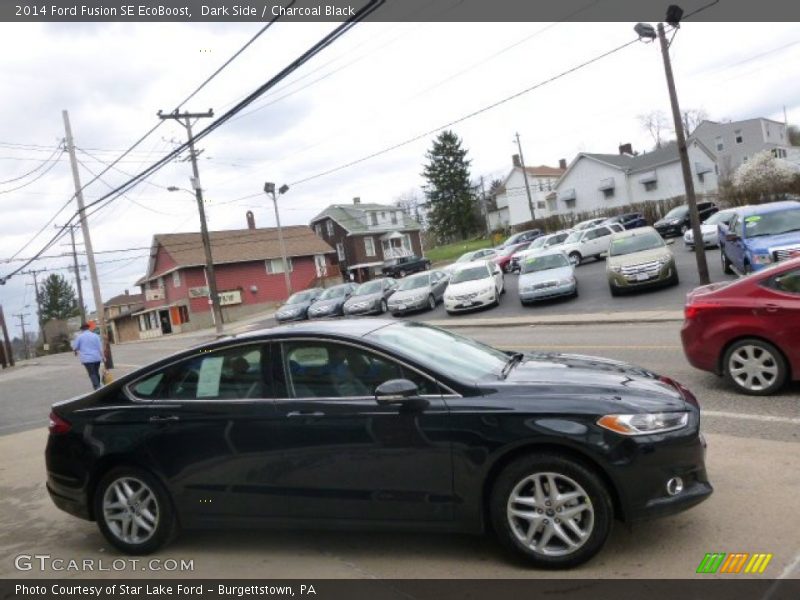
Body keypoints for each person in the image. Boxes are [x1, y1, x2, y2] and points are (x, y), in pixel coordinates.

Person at [72, 322, 104, 390]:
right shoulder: (95, 335)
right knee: (96, 372)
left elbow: (75, 347)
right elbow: (100, 347)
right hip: (96, 358)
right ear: (88, 328)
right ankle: (97, 386)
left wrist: (75, 351)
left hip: (87, 359)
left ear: (82, 329)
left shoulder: (79, 337)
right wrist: (103, 357)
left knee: (92, 373)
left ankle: (97, 387)